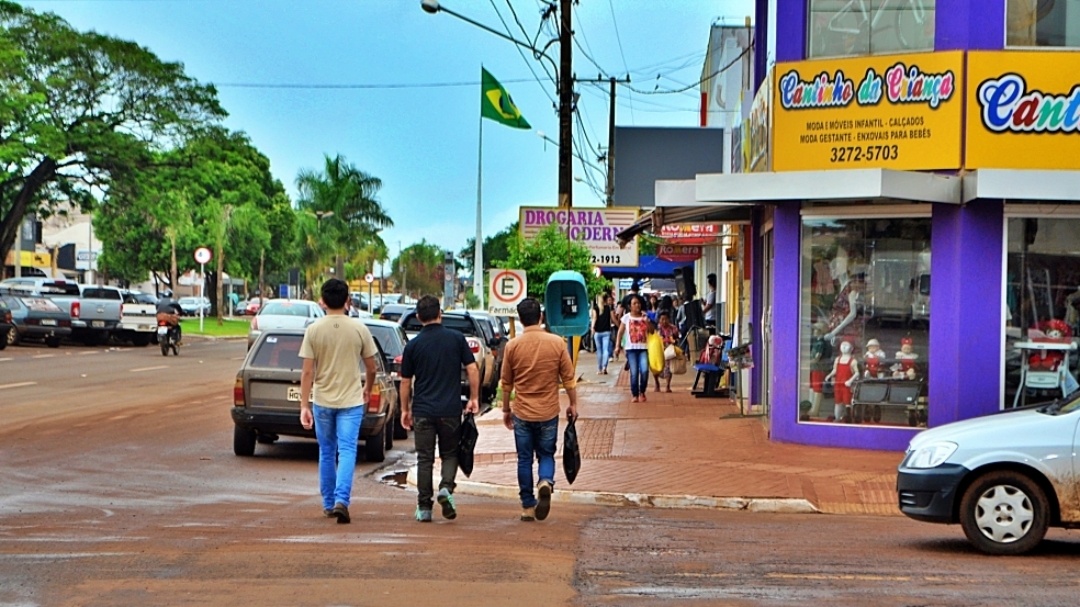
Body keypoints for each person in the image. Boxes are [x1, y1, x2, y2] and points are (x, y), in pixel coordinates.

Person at [298, 278, 379, 524]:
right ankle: (342, 500)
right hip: (351, 401)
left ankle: (328, 503)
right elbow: (371, 367)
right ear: (347, 301)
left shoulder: (314, 330)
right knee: (347, 450)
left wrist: (304, 404)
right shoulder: (359, 329)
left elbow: (307, 372)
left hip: (323, 400)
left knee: (326, 451)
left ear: (322, 301)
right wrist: (368, 387)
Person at [400, 295, 480, 523]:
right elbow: (472, 369)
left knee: (424, 459)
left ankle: (424, 507)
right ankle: (446, 488)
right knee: (450, 453)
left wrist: (405, 410)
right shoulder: (455, 339)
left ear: (418, 317)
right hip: (450, 409)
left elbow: (405, 382)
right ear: (440, 314)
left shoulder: (413, 345)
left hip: (423, 411)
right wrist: (473, 398)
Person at [500, 297, 578, 522]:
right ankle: (545, 480)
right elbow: (569, 379)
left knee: (524, 458)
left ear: (521, 319)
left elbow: (506, 383)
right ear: (541, 317)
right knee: (546, 453)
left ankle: (527, 505)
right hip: (548, 411)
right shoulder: (557, 343)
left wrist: (506, 409)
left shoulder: (513, 346)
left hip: (522, 412)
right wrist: (573, 404)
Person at [614, 294, 652, 402]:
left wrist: (646, 321)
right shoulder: (626, 317)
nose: (637, 305)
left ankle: (642, 391)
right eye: (634, 303)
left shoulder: (645, 317)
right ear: (630, 306)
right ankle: (635, 394)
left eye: (638, 303)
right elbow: (620, 332)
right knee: (634, 372)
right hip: (631, 349)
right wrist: (617, 346)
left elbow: (652, 331)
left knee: (644, 371)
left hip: (644, 348)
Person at [825, 340, 859, 422]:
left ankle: (848, 418)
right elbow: (835, 370)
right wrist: (829, 375)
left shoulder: (853, 361)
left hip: (847, 385)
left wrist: (850, 381)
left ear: (851, 348)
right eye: (842, 345)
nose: (843, 347)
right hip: (838, 384)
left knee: (847, 402)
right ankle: (837, 418)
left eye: (846, 345)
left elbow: (857, 373)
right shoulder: (838, 359)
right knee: (838, 402)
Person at [652, 310, 680, 393]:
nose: (664, 321)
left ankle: (668, 385)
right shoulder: (656, 328)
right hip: (658, 350)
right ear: (659, 320)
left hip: (669, 350)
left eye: (666, 319)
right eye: (662, 319)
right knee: (656, 368)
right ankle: (657, 383)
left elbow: (677, 338)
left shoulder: (673, 328)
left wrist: (674, 340)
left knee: (668, 368)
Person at [591, 293, 614, 375]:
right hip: (607, 332)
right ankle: (604, 367)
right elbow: (612, 318)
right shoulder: (608, 308)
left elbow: (594, 318)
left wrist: (592, 327)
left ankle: (599, 369)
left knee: (599, 350)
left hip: (597, 332)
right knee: (606, 350)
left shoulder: (595, 308)